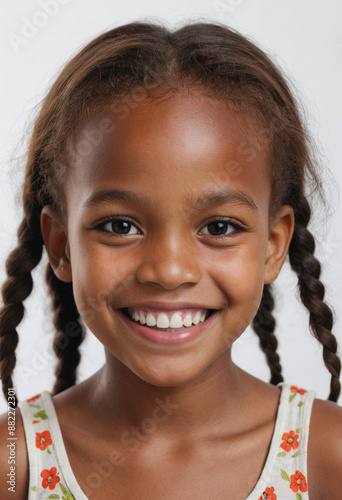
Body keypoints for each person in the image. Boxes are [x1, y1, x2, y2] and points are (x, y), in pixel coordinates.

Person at [0, 20, 341, 499]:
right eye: (120, 226)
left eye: (219, 228)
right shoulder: (15, 463)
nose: (169, 271)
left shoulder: (328, 455)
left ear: (273, 245)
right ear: (60, 245)